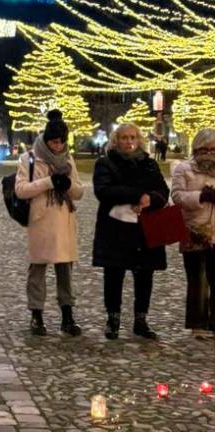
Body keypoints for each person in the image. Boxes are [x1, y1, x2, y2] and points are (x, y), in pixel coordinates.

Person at [92, 123, 169, 340]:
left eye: (132, 137)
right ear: (116, 140)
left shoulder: (149, 164)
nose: (129, 141)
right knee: (114, 274)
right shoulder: (106, 163)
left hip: (145, 227)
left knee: (145, 274)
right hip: (116, 229)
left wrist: (149, 200)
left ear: (138, 139)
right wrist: (136, 196)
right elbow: (104, 190)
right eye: (124, 137)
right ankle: (113, 318)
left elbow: (162, 191)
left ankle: (141, 319)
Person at [14, 110, 84, 337]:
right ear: (46, 140)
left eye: (62, 142)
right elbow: (21, 190)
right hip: (41, 222)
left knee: (65, 271)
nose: (58, 146)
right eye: (54, 142)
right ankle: (37, 315)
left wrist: (67, 185)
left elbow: (79, 192)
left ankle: (67, 315)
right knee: (38, 269)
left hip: (64, 221)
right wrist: (49, 182)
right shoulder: (29, 159)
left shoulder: (68, 159)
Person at [171, 128, 215, 338]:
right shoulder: (184, 168)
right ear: (196, 148)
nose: (210, 153)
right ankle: (198, 324)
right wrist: (200, 196)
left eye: (213, 149)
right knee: (198, 279)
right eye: (205, 149)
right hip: (194, 230)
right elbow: (177, 196)